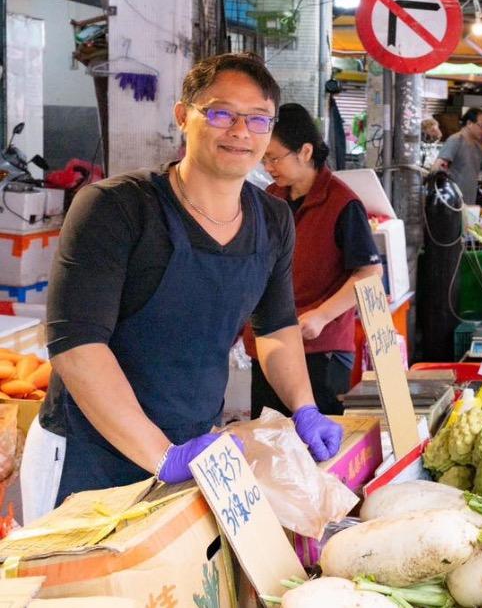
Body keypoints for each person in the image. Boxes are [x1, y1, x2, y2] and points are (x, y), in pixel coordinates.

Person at [24, 53, 343, 515]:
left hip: (196, 448)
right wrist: (161, 456)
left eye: (257, 120)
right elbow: (77, 347)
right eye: (221, 113)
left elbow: (275, 328)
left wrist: (305, 407)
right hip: (90, 452)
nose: (240, 132)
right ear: (182, 117)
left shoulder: (272, 219)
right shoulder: (115, 208)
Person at [243, 103, 383, 418]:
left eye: (274, 157)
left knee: (316, 447)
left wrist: (321, 315)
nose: (268, 166)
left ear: (305, 152)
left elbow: (370, 272)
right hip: (269, 344)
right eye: (263, 158)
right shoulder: (271, 198)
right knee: (269, 441)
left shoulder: (342, 203)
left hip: (321, 350)